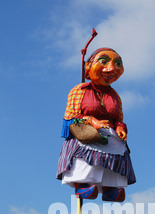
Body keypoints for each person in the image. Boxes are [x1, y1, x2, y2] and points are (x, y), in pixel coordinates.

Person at [57, 47, 136, 202]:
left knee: (115, 152)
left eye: (117, 64)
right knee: (89, 155)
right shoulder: (80, 90)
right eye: (104, 62)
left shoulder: (115, 97)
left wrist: (120, 127)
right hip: (88, 133)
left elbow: (119, 118)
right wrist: (92, 121)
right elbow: (70, 115)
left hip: (109, 133)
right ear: (88, 66)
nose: (111, 68)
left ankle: (110, 188)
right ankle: (83, 184)